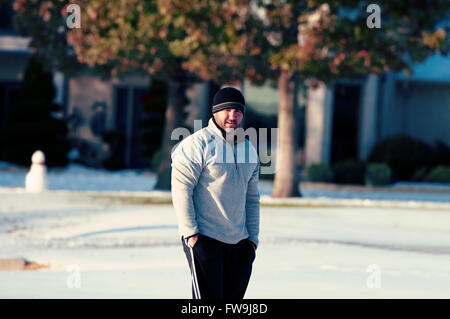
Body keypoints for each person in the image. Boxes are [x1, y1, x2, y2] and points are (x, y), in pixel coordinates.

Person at [171, 86, 260, 299]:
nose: (233, 116)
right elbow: (181, 189)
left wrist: (252, 240)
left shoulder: (248, 149)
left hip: (240, 243)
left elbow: (252, 198)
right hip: (205, 238)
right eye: (227, 110)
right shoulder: (196, 144)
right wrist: (191, 234)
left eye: (238, 111)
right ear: (215, 112)